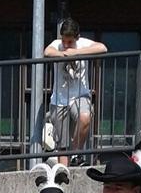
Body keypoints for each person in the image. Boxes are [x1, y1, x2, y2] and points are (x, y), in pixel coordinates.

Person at [44, 18, 107, 161]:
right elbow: (47, 51)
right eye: (64, 41)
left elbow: (102, 48)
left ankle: (75, 153)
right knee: (62, 146)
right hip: (59, 100)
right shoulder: (56, 44)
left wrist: (76, 53)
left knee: (85, 117)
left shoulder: (83, 43)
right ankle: (65, 171)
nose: (66, 45)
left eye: (70, 42)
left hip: (80, 95)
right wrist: (64, 54)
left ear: (77, 38)